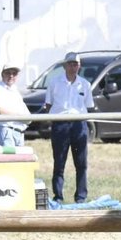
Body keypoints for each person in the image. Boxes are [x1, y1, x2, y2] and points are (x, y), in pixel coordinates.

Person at [42, 51, 94, 204]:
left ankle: (81, 197)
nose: (72, 67)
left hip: (79, 124)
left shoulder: (85, 84)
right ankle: (58, 196)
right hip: (60, 124)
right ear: (64, 65)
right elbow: (48, 104)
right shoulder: (54, 82)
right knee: (59, 162)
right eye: (70, 64)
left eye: (75, 64)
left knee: (81, 163)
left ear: (79, 66)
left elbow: (88, 106)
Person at [0, 65, 29, 147]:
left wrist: (28, 118)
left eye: (14, 73)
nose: (11, 76)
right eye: (8, 73)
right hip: (6, 131)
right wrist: (21, 116)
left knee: (20, 155)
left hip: (19, 132)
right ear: (2, 74)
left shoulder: (15, 91)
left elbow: (24, 110)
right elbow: (0, 110)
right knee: (9, 155)